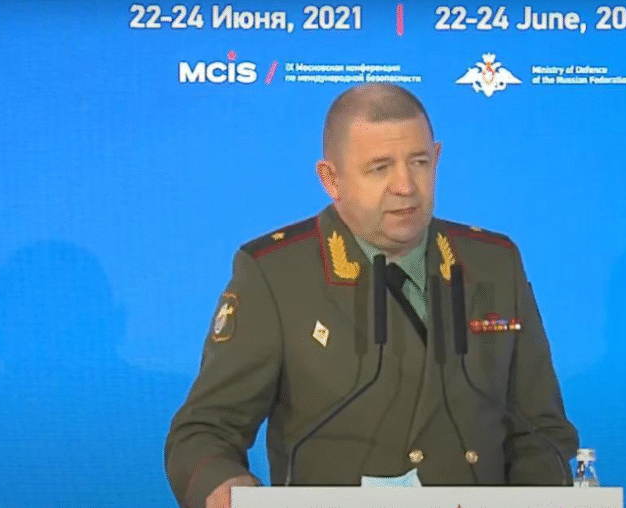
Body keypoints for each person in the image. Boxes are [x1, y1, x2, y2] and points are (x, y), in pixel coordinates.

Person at [164, 83, 578, 508]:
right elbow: (204, 432)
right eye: (380, 168)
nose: (405, 185)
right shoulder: (276, 274)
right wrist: (225, 485)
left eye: (419, 162)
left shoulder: (493, 263)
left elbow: (541, 430)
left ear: (437, 158)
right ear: (332, 179)